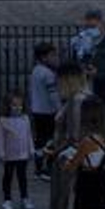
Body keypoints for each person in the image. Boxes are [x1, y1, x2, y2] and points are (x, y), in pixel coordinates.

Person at [45, 63, 89, 209]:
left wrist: (54, 150)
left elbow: (75, 137)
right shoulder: (77, 99)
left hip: (71, 163)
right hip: (71, 161)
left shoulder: (77, 101)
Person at [0, 91, 35, 209]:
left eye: (20, 105)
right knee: (8, 177)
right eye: (14, 105)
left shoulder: (25, 119)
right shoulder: (3, 121)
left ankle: (25, 198)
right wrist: (1, 153)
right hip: (9, 155)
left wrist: (31, 149)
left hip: (22, 155)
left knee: (22, 177)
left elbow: (28, 136)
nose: (17, 108)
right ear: (8, 106)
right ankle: (7, 200)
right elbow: (0, 138)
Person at [27, 41, 60, 180]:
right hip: (48, 111)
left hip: (37, 110)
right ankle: (49, 169)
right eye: (52, 55)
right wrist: (59, 110)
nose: (55, 58)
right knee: (52, 140)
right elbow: (53, 95)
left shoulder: (35, 71)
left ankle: (38, 168)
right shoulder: (48, 74)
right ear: (43, 57)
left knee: (40, 140)